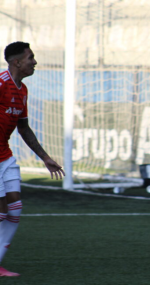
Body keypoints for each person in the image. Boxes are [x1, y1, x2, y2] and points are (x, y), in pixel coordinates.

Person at [0, 42, 65, 277]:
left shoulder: (23, 90)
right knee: (1, 210)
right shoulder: (0, 83)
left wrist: (45, 158)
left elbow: (24, 128)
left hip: (4, 156)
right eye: (31, 58)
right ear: (17, 62)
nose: (34, 62)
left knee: (14, 208)